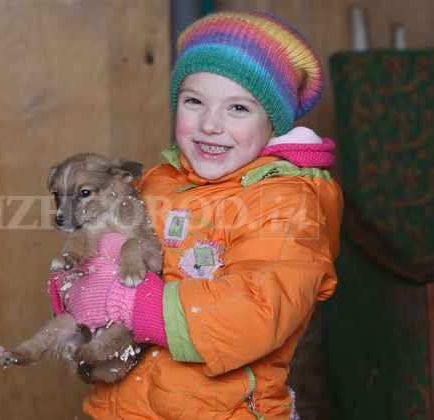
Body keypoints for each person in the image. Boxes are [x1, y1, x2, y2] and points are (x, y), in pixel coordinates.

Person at [65, 10, 343, 419]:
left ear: (274, 125)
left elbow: (259, 307)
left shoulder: (288, 203)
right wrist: (78, 284)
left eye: (238, 109)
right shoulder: (155, 184)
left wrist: (135, 306)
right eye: (194, 101)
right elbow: (107, 250)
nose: (210, 124)